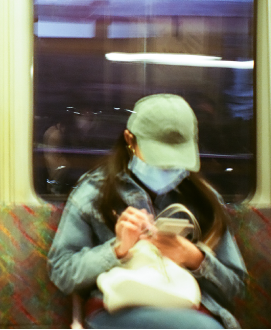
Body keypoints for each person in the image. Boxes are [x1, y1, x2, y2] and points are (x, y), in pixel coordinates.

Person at [48, 94, 247, 329]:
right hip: (118, 306)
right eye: (158, 159)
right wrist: (117, 249)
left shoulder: (203, 199)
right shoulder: (94, 193)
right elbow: (62, 271)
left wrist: (193, 257)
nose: (167, 169)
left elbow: (236, 285)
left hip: (190, 303)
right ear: (130, 141)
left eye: (175, 161)